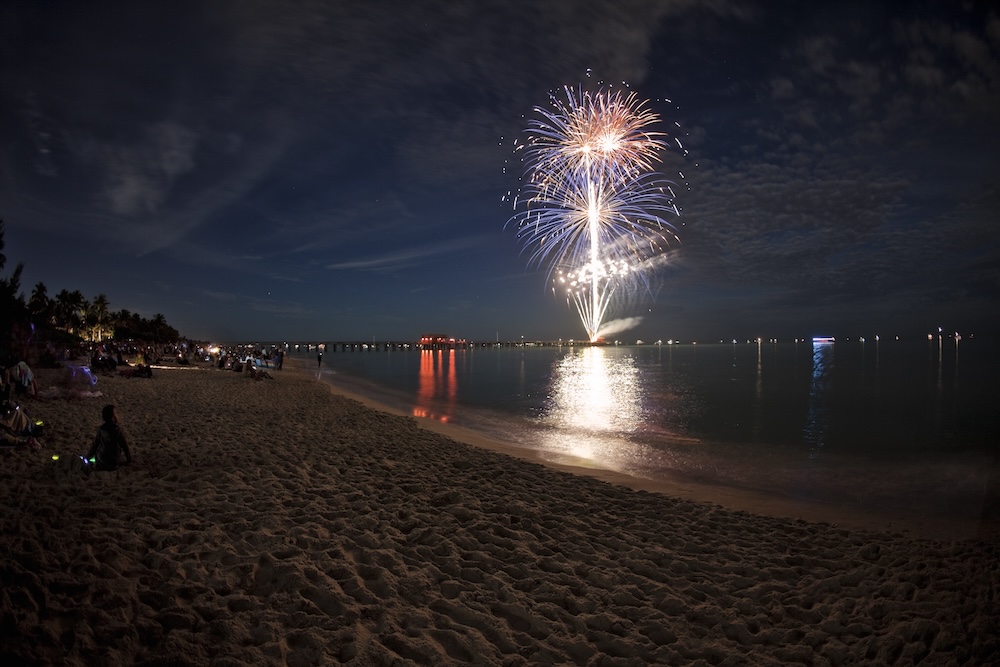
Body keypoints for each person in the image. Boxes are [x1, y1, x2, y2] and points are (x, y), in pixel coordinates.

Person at [86, 405, 132, 471]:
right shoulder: (117, 430)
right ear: (113, 418)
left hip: (102, 461)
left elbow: (94, 445)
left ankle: (92, 461)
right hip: (114, 463)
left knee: (96, 456)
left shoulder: (101, 430)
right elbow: (124, 445)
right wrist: (129, 459)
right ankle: (94, 460)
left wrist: (88, 456)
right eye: (115, 413)